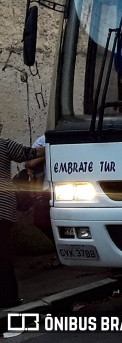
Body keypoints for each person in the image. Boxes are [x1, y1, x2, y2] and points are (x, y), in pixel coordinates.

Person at [0, 121, 44, 308]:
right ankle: (8, 298)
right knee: (3, 255)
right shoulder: (4, 144)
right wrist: (54, 144)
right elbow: (30, 153)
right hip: (3, 207)